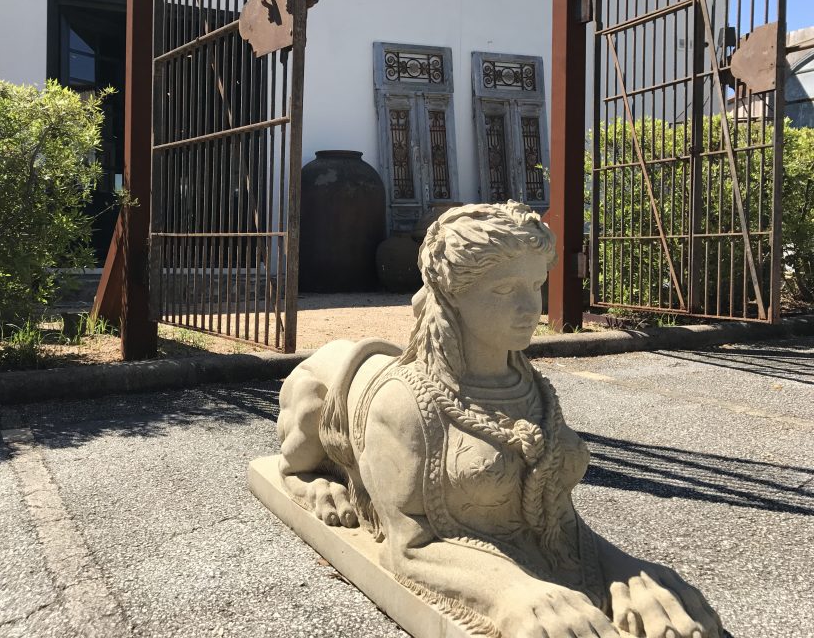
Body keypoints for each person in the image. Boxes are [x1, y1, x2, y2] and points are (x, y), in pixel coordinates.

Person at [276, 201, 721, 638]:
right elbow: (409, 545)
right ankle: (298, 474)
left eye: (536, 284)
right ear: (451, 293)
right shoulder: (406, 405)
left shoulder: (533, 391)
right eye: (505, 290)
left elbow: (554, 519)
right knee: (312, 402)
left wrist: (626, 572)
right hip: (327, 386)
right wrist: (508, 593)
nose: (530, 308)